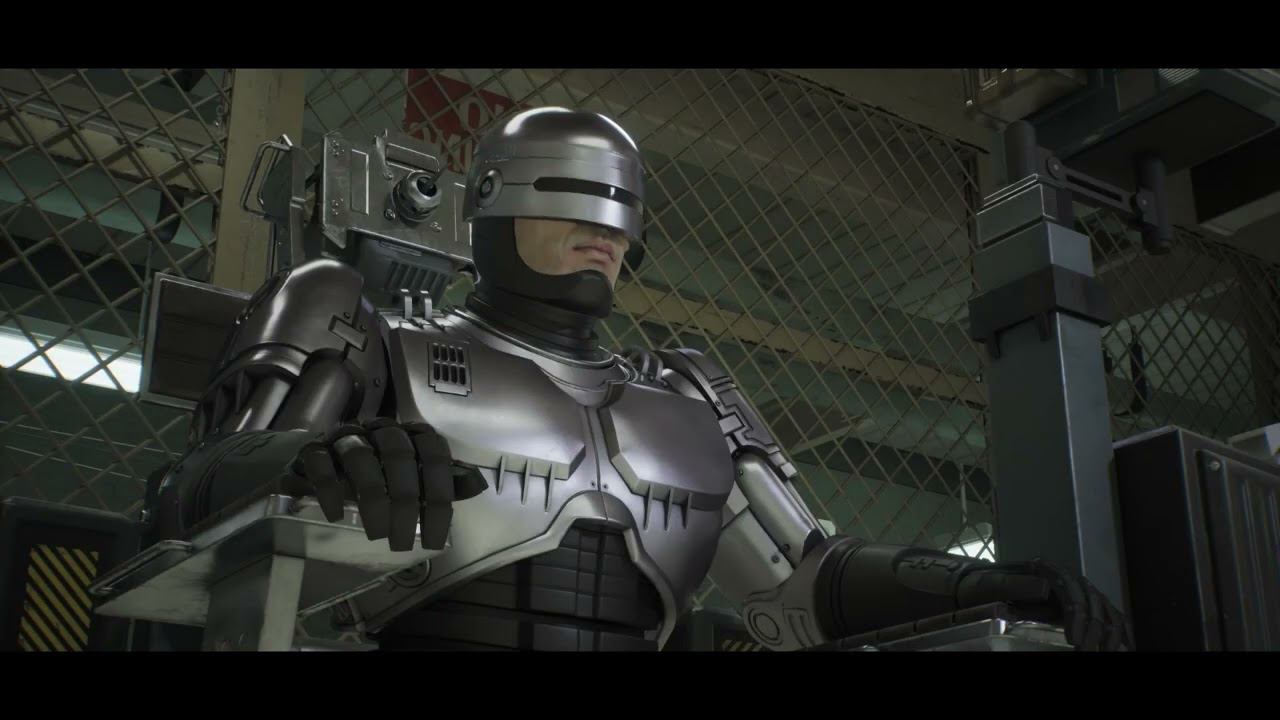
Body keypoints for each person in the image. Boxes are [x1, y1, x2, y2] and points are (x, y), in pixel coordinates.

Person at [151, 107, 1130, 651]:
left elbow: (800, 587)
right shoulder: (369, 332)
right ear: (492, 204)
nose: (602, 232)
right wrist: (309, 465)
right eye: (571, 198)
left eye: (618, 215)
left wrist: (979, 584)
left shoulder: (686, 397)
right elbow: (183, 500)